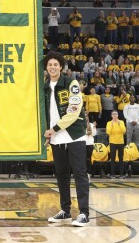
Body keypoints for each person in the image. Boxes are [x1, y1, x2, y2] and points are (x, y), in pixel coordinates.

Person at [43, 51, 89, 227]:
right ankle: (65, 211)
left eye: (56, 64)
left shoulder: (72, 83)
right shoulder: (46, 87)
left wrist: (53, 129)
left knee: (79, 173)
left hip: (74, 135)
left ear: (61, 66)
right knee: (62, 175)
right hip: (56, 138)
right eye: (50, 65)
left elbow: (74, 110)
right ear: (46, 68)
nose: (53, 67)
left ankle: (84, 213)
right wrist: (49, 133)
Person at [106, 110, 126, 179]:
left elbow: (124, 131)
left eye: (116, 114)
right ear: (111, 116)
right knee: (112, 159)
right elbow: (108, 132)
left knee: (121, 158)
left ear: (118, 115)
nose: (114, 116)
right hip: (112, 142)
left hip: (120, 142)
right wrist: (111, 125)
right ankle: (112, 174)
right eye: (113, 114)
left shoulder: (121, 122)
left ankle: (121, 174)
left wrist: (119, 124)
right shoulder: (109, 123)